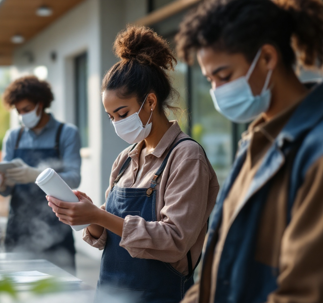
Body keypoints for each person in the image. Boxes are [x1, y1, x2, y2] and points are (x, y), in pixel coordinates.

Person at [174, 0, 323, 302]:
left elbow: (305, 294)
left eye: (224, 76)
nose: (216, 91)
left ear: (267, 57)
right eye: (210, 80)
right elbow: (217, 275)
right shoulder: (256, 141)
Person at [47, 26, 219, 302]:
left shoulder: (186, 156)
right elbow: (106, 238)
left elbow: (175, 240)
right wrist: (88, 215)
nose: (116, 123)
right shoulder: (125, 159)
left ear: (150, 101)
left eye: (122, 113)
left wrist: (99, 216)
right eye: (110, 116)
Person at [0, 76, 82, 273]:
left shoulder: (66, 133)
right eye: (19, 111)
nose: (22, 115)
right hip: (18, 228)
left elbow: (74, 178)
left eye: (26, 109)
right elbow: (6, 190)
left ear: (41, 104)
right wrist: (2, 183)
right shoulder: (13, 137)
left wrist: (35, 175)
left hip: (56, 225)